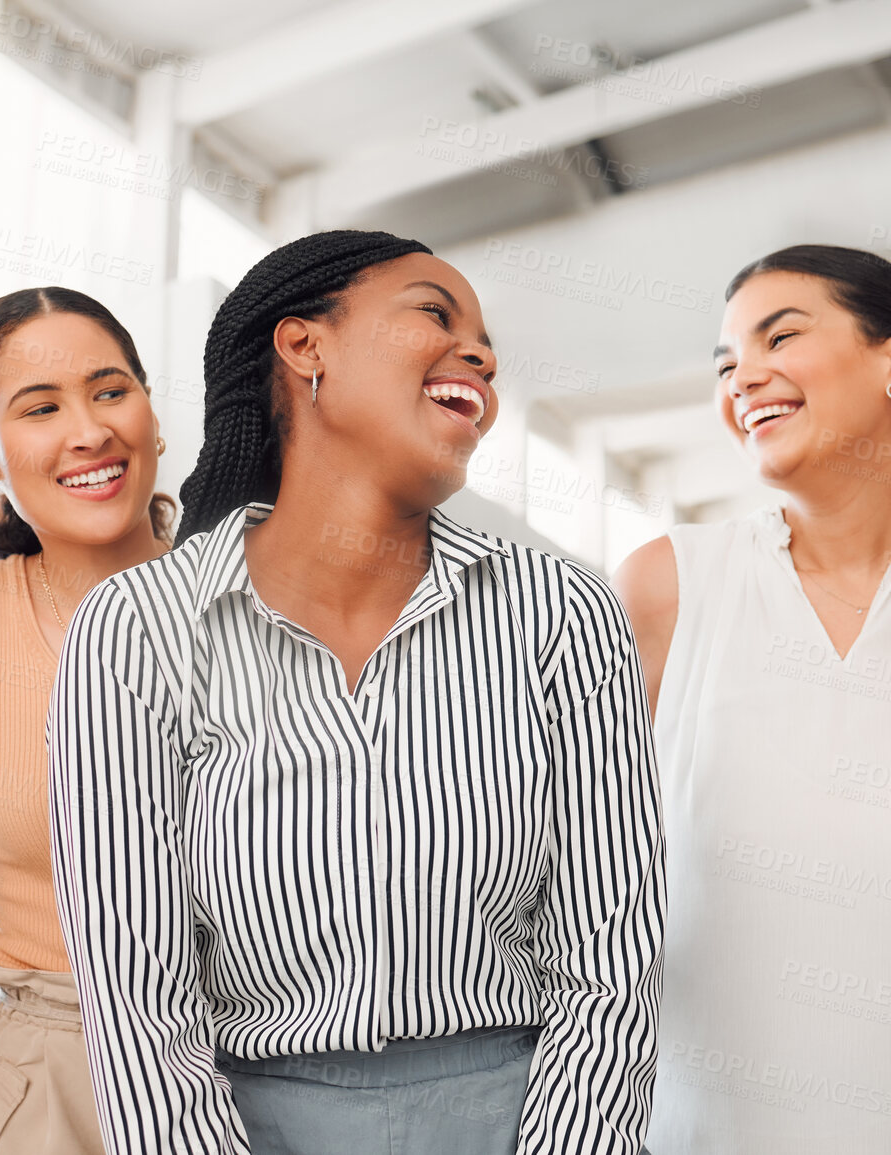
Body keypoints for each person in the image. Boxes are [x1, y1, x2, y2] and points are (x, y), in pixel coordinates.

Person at [46, 229, 664, 1155]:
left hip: (524, 1119)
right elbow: (138, 1001)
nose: (483, 354)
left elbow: (613, 960)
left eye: (486, 340)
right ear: (306, 348)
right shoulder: (137, 630)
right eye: (433, 312)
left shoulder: (561, 614)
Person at [616, 245, 891, 1153]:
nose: (744, 376)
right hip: (705, 1126)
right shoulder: (667, 583)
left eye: (780, 337)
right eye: (726, 363)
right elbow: (585, 874)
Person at [0, 287, 175, 1154]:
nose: (89, 430)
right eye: (40, 407)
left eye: (109, 391)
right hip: (53, 1077)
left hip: (263, 1058)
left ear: (151, 415)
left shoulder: (260, 601)